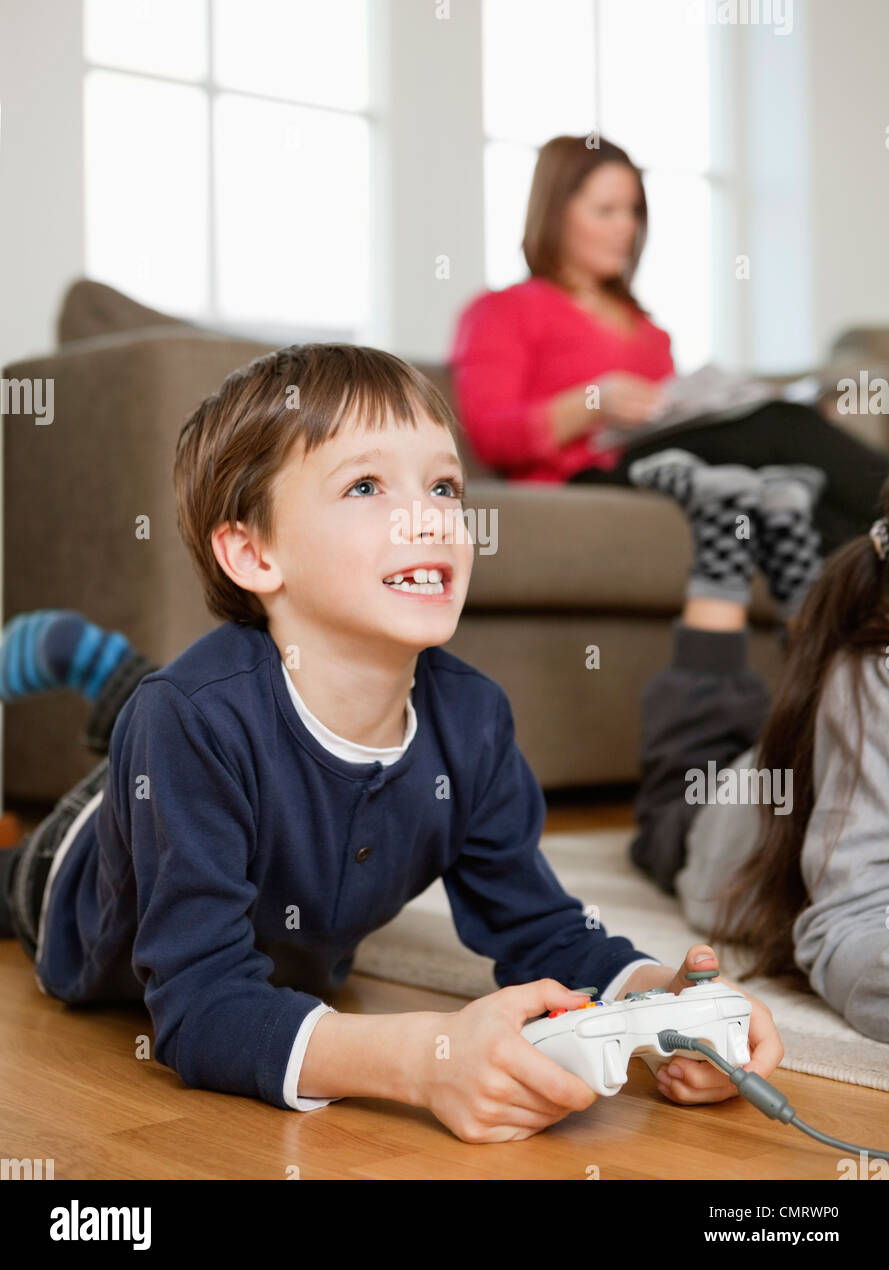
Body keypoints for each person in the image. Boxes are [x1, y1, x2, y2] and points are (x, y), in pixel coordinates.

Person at [0, 342, 782, 1139]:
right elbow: (199, 1006)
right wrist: (424, 1058)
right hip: (78, 863)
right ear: (252, 552)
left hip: (205, 737)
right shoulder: (190, 722)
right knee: (153, 729)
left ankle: (116, 683)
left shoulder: (472, 720)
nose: (428, 515)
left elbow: (540, 928)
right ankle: (102, 672)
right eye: (366, 485)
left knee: (182, 710)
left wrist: (662, 998)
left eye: (443, 485)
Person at [449, 133, 889, 554]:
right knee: (778, 424)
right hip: (592, 472)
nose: (626, 226)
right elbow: (489, 434)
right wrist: (592, 403)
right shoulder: (502, 309)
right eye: (606, 210)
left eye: (633, 210)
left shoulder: (648, 330)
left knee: (800, 492)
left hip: (670, 458)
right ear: (555, 212)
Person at [627, 448, 889, 1044]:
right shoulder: (871, 671)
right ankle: (723, 527)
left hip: (797, 765)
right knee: (675, 794)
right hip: (723, 820)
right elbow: (849, 925)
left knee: (814, 690)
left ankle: (781, 526)